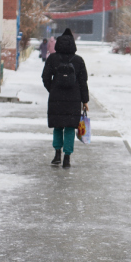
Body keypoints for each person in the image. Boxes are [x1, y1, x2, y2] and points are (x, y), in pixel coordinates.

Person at [42, 28, 89, 168]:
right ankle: (67, 157)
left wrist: (53, 89)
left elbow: (45, 77)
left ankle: (57, 154)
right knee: (69, 128)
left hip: (56, 98)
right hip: (74, 99)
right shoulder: (79, 61)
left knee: (58, 126)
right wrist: (85, 100)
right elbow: (83, 82)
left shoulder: (52, 58)